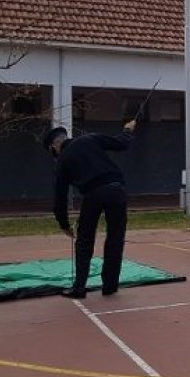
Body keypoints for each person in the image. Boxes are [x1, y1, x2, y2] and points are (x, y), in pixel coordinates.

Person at [44, 120, 136, 299]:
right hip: (116, 190)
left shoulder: (62, 161)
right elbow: (121, 143)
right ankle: (110, 286)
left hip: (92, 194)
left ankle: (79, 288)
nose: (54, 155)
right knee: (115, 238)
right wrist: (127, 130)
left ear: (55, 145)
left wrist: (63, 224)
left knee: (84, 240)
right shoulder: (90, 139)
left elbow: (60, 196)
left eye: (52, 151)